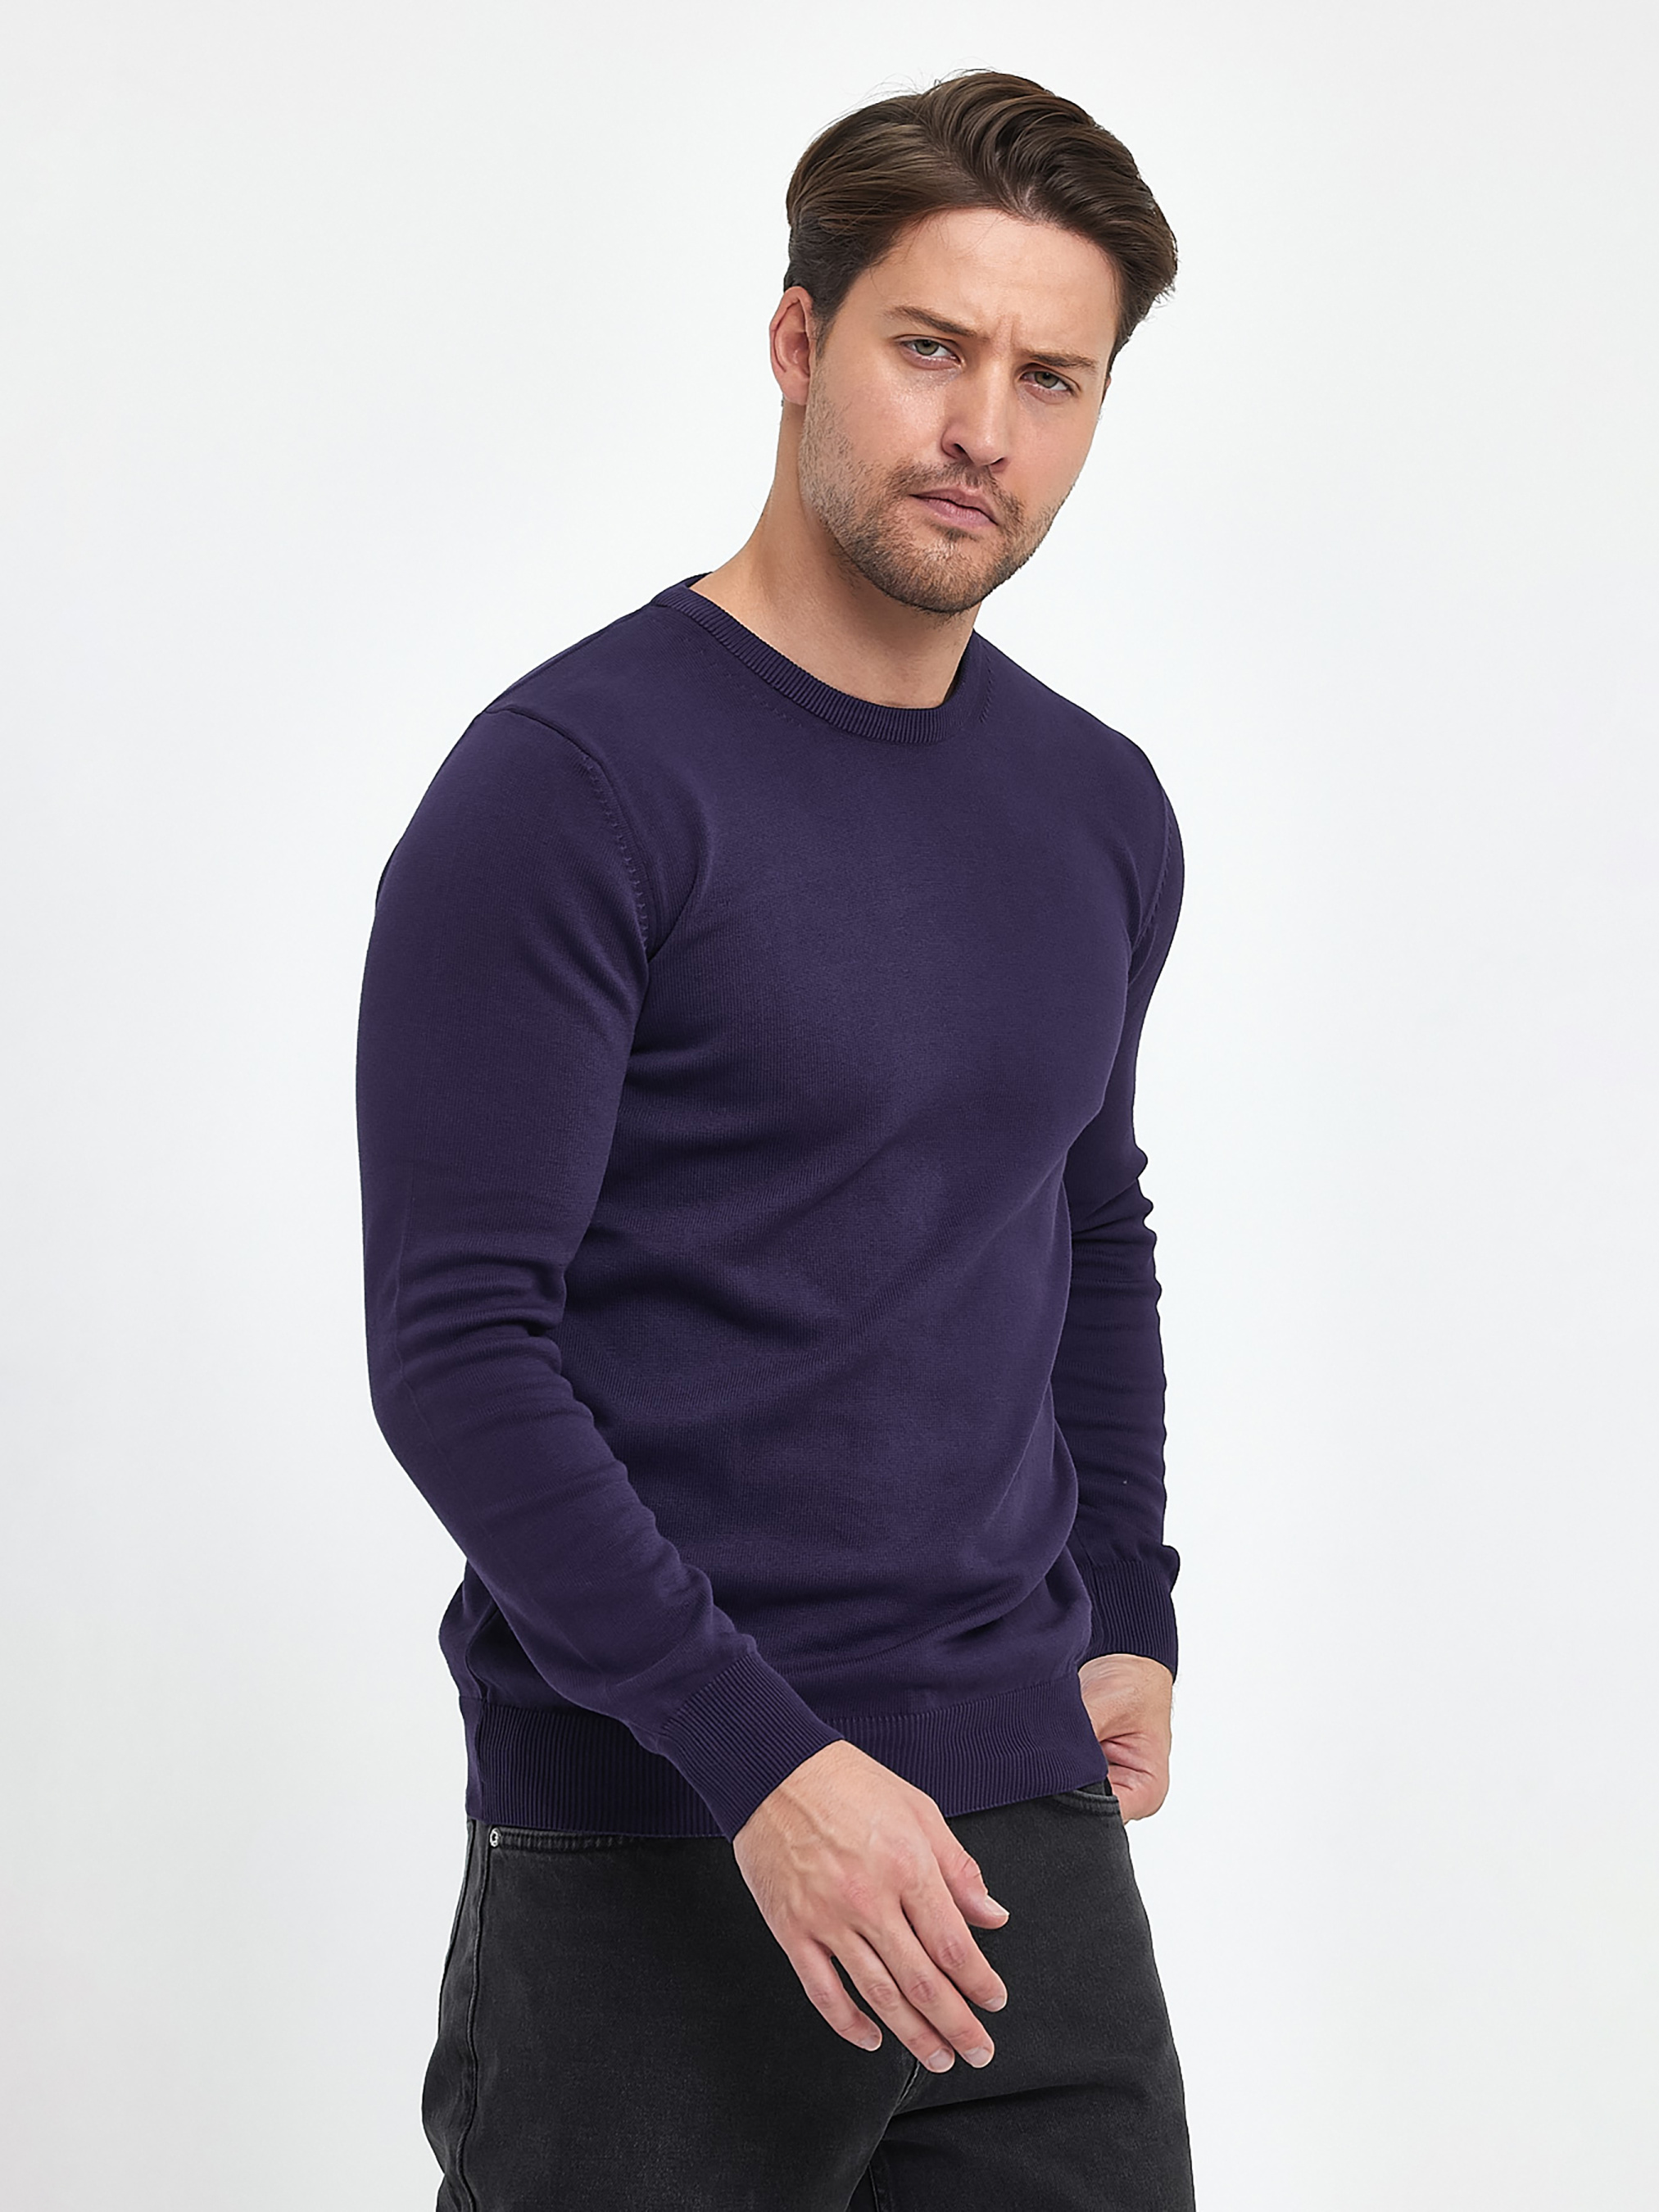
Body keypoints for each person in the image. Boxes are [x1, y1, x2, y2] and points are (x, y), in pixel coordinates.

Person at [356, 66, 1195, 2212]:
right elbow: (458, 1351)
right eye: (931, 347)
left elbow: (1082, 1222)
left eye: (1051, 377)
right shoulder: (572, 785)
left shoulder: (1096, 808)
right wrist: (764, 1761)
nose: (983, 428)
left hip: (1016, 1830)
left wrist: (1126, 1601)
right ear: (799, 341)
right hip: (661, 1825)